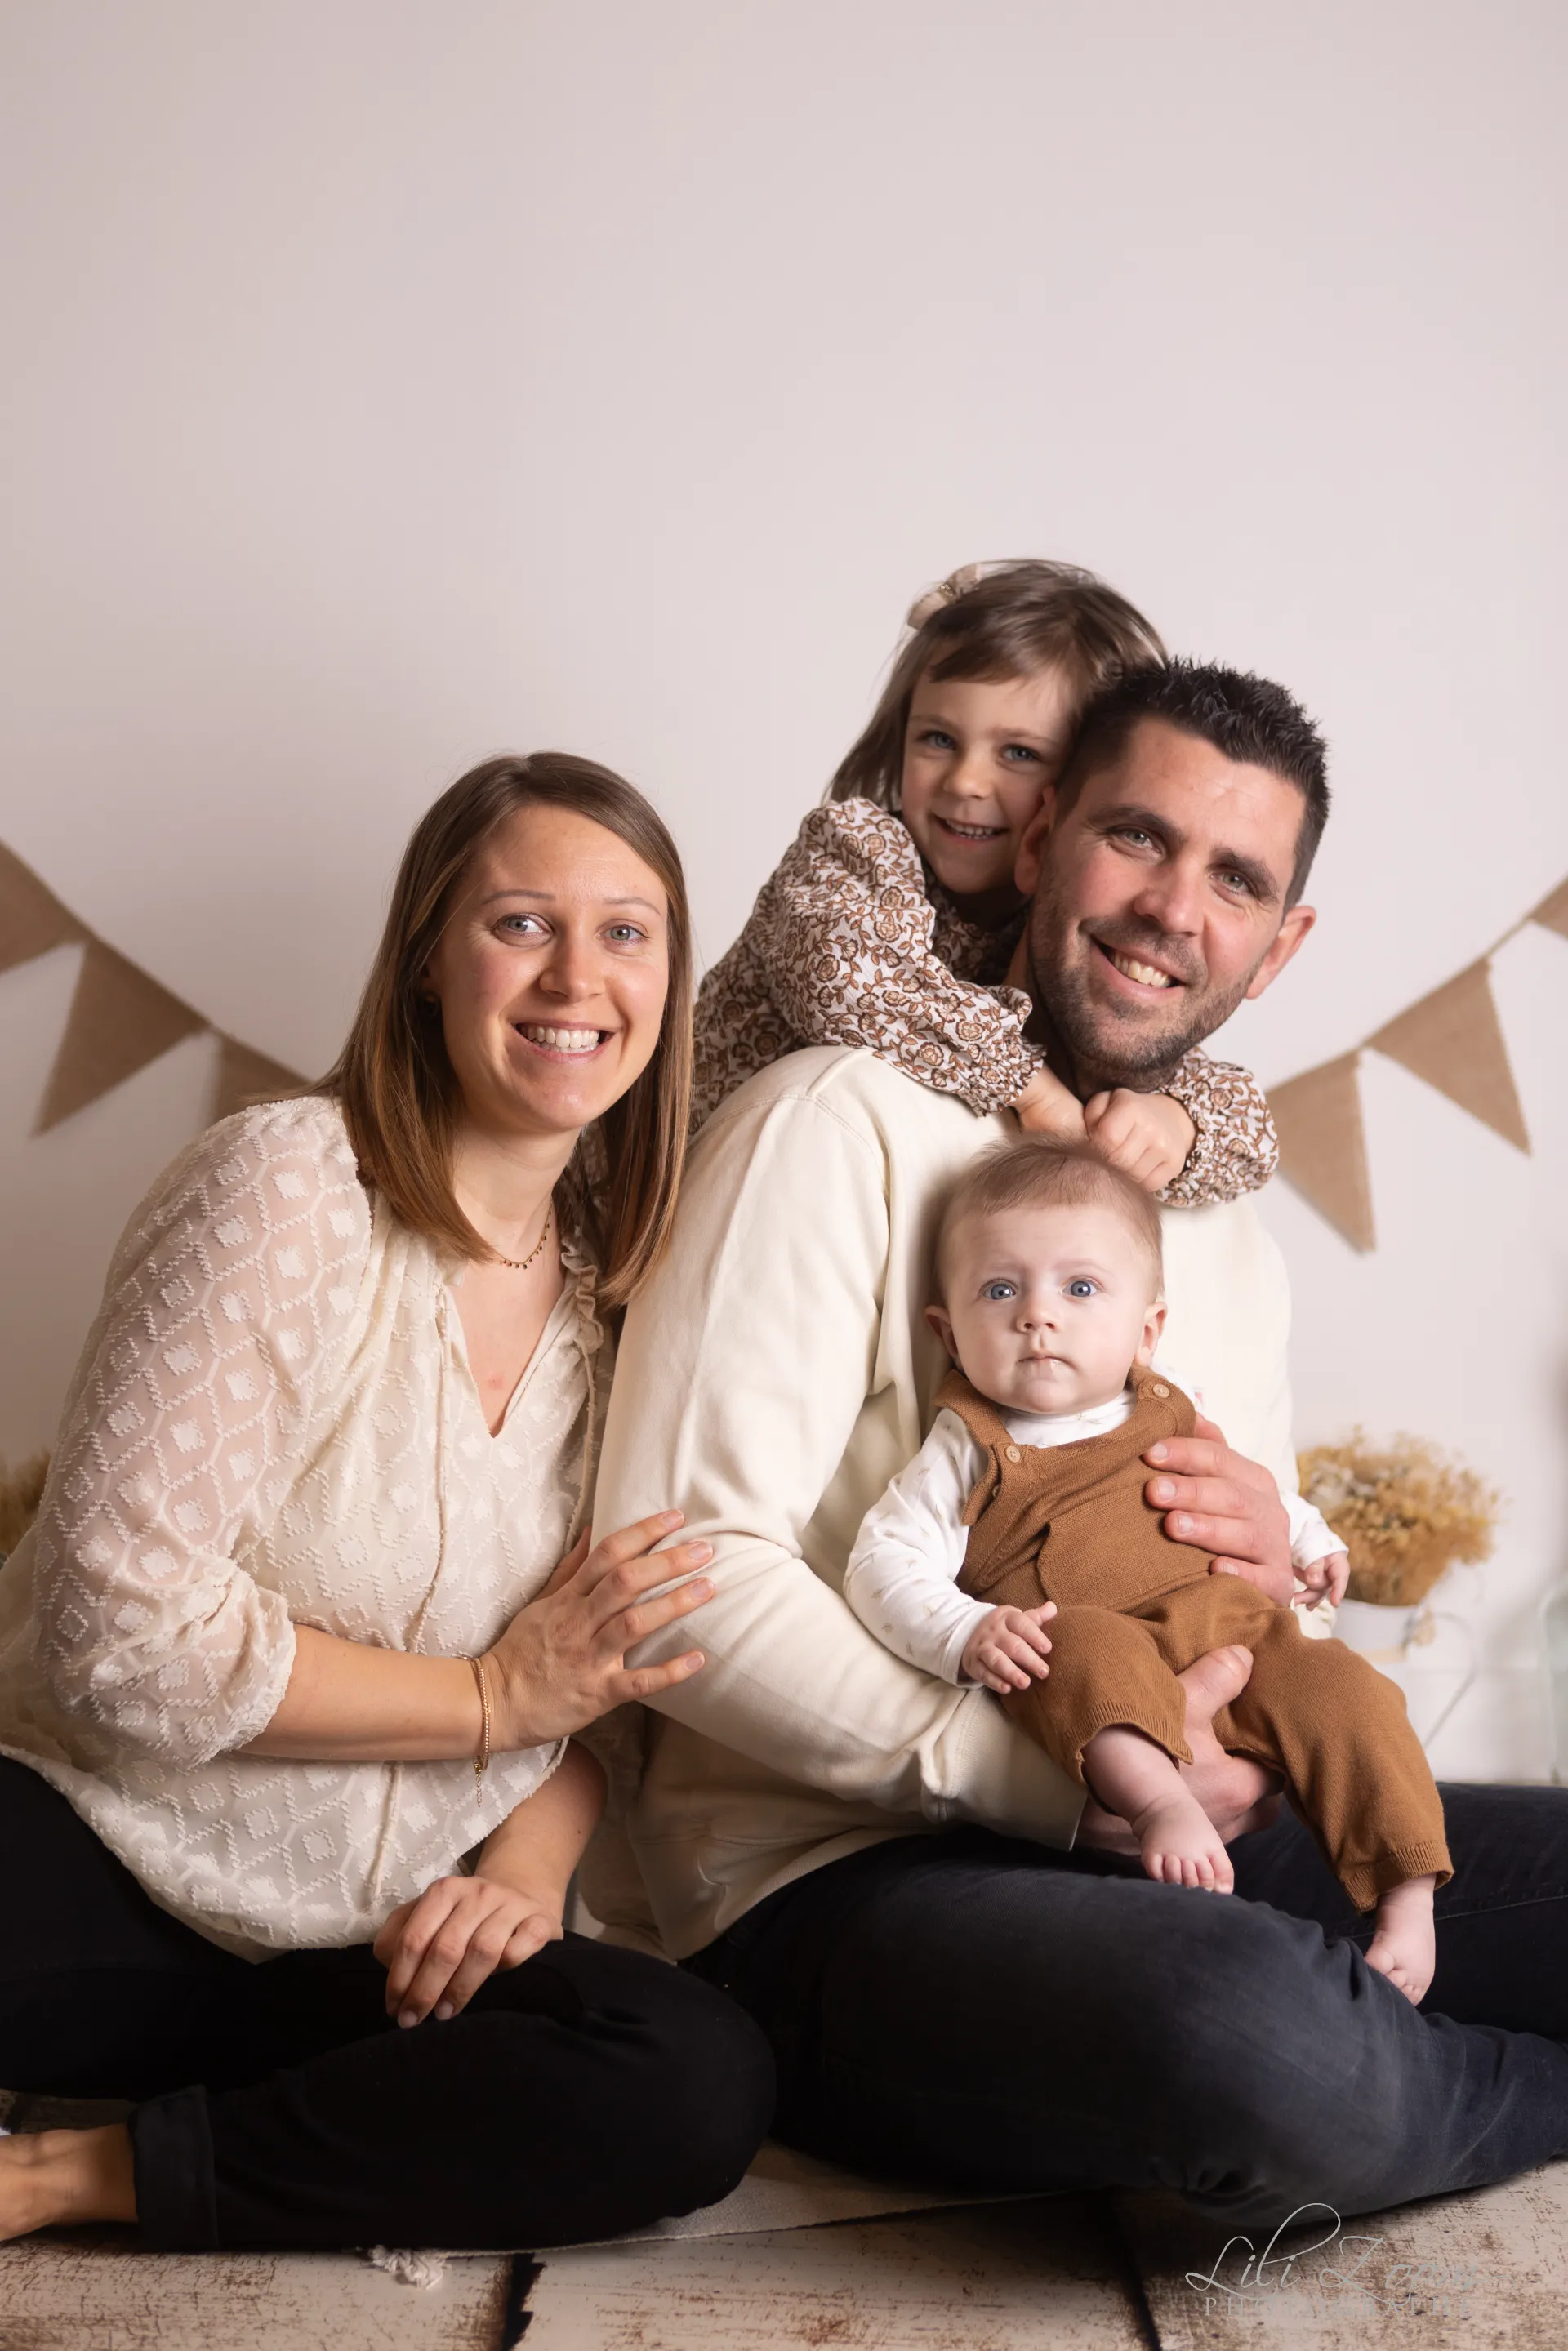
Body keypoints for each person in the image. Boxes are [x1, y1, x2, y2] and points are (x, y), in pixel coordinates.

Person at [593, 661, 1568, 2230]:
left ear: (1281, 940)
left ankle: (1383, 2069)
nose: (1176, 906)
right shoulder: (836, 1119)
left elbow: (1249, 1642)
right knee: (1247, 2033)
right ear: (1041, 835)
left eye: (1236, 877)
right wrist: (1063, 1792)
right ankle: (1394, 2076)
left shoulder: (1226, 1225)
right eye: (1138, 836)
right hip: (844, 1881)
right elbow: (676, 1583)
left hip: (1205, 1834)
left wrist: (1276, 1569)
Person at [0, 754, 773, 2252]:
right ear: (428, 955)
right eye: (521, 921)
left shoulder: (624, 1295)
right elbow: (117, 1629)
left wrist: (527, 1877)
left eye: (628, 930)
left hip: (381, 1937)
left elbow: (602, 1689)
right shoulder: (290, 1185)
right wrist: (489, 1694)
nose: (578, 974)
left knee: (697, 2078)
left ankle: (74, 2175)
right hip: (97, 1857)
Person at [844, 1138, 1447, 2003]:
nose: (1037, 1315)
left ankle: (1406, 1892)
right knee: (1073, 1644)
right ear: (946, 1330)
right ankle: (1160, 1799)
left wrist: (1311, 1539)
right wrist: (967, 1629)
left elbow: (1257, 1487)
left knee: (1348, 1690)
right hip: (1104, 1646)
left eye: (1079, 1287)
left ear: (1147, 1326)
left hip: (1236, 1630)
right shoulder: (970, 1442)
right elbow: (883, 1561)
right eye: (1000, 1288)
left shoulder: (1169, 1399)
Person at [693, 559, 1277, 1204]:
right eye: (938, 739)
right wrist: (1033, 1089)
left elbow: (1252, 1130)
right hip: (662, 1189)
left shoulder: (1064, 932)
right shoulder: (858, 850)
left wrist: (1180, 1122)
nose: (966, 781)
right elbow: (844, 981)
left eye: (1018, 754)